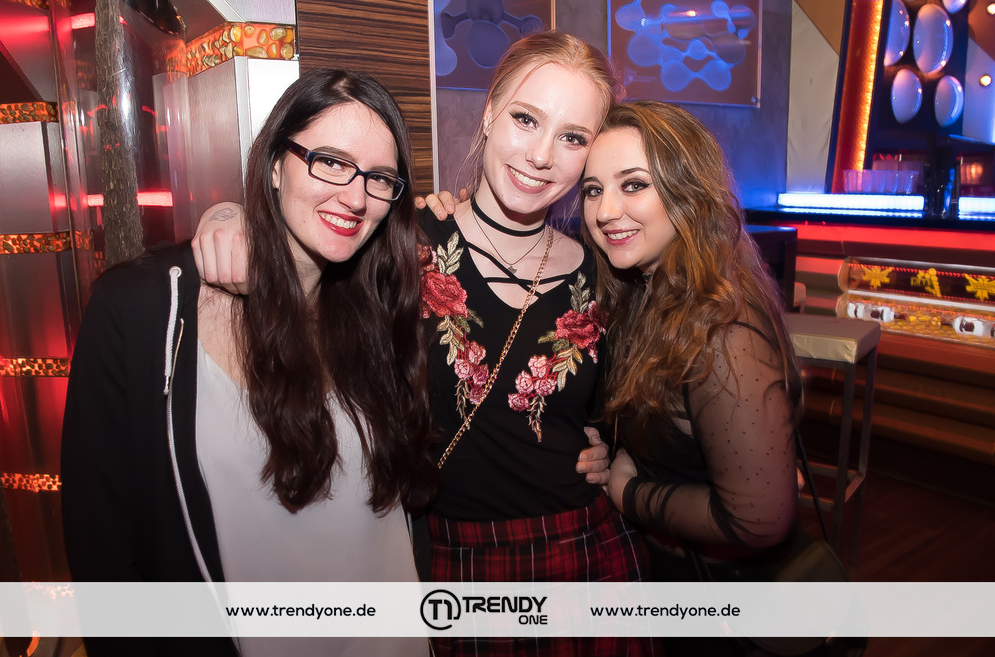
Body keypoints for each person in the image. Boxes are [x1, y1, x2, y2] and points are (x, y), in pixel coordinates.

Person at [192, 32, 655, 657]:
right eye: (525, 119)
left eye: (573, 137)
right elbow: (302, 231)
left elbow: (624, 409)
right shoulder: (396, 242)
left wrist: (610, 450)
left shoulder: (605, 271)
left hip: (585, 558)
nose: (542, 155)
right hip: (451, 562)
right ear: (488, 113)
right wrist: (228, 216)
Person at [61, 69, 436, 657]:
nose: (356, 196)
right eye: (330, 162)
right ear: (275, 165)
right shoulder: (141, 310)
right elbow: (102, 551)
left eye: (380, 178)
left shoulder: (382, 307)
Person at [580, 100, 803, 655]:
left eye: (634, 185)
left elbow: (758, 520)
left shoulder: (723, 331)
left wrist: (627, 491)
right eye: (593, 189)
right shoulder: (647, 291)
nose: (606, 210)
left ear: (688, 192)